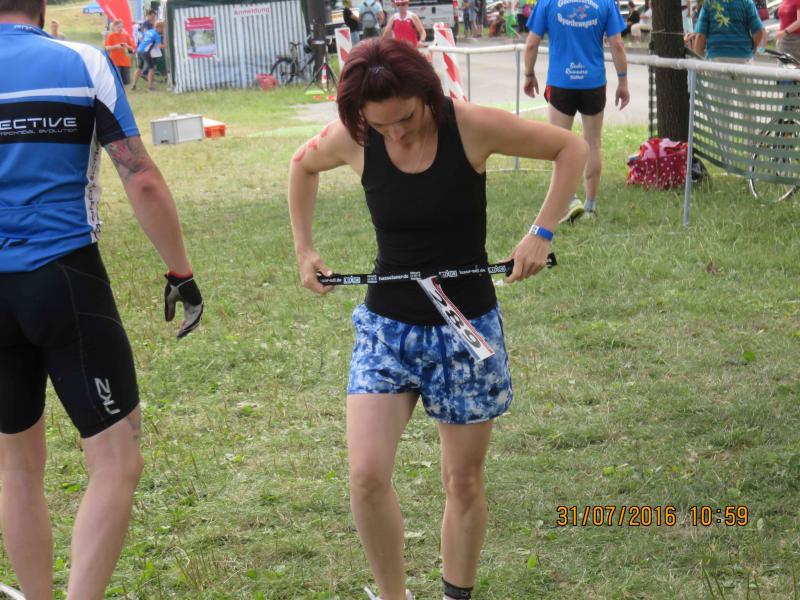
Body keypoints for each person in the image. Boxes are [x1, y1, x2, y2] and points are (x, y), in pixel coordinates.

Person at [288, 37, 587, 600]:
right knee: (366, 475)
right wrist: (304, 250)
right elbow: (302, 166)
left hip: (465, 333)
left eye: (405, 118)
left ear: (427, 93)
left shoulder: (469, 126)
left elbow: (569, 148)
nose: (396, 134)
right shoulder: (356, 137)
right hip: (387, 330)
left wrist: (541, 232)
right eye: (380, 126)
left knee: (462, 480)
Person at [0, 0, 203, 597]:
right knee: (117, 460)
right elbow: (140, 176)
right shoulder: (83, 62)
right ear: (41, 6)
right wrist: (180, 271)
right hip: (65, 276)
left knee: (16, 467)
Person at [523, 0, 629, 223]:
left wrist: (529, 74)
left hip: (561, 83)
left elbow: (531, 44)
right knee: (593, 144)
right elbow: (617, 44)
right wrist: (623, 82)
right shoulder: (606, 3)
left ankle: (569, 201)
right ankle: (590, 207)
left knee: (559, 145)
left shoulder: (547, 2)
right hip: (593, 82)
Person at [693, 0, 765, 62]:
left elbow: (700, 36)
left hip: (716, 58)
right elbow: (759, 31)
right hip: (744, 58)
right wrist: (753, 48)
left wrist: (698, 60)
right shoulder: (747, 2)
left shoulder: (710, 2)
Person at [131, 19, 164, 90]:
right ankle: (150, 87)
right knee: (152, 69)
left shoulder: (149, 31)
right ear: (159, 27)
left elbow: (141, 38)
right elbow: (159, 46)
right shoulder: (157, 35)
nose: (163, 30)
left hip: (139, 49)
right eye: (163, 28)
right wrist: (166, 45)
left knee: (139, 68)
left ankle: (134, 85)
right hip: (145, 52)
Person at [105, 18, 135, 85]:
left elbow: (132, 50)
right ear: (114, 27)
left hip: (125, 62)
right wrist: (116, 46)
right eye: (118, 27)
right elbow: (107, 48)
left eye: (122, 27)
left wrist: (127, 46)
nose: (120, 28)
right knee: (116, 82)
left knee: (126, 83)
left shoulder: (126, 36)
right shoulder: (111, 36)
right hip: (115, 62)